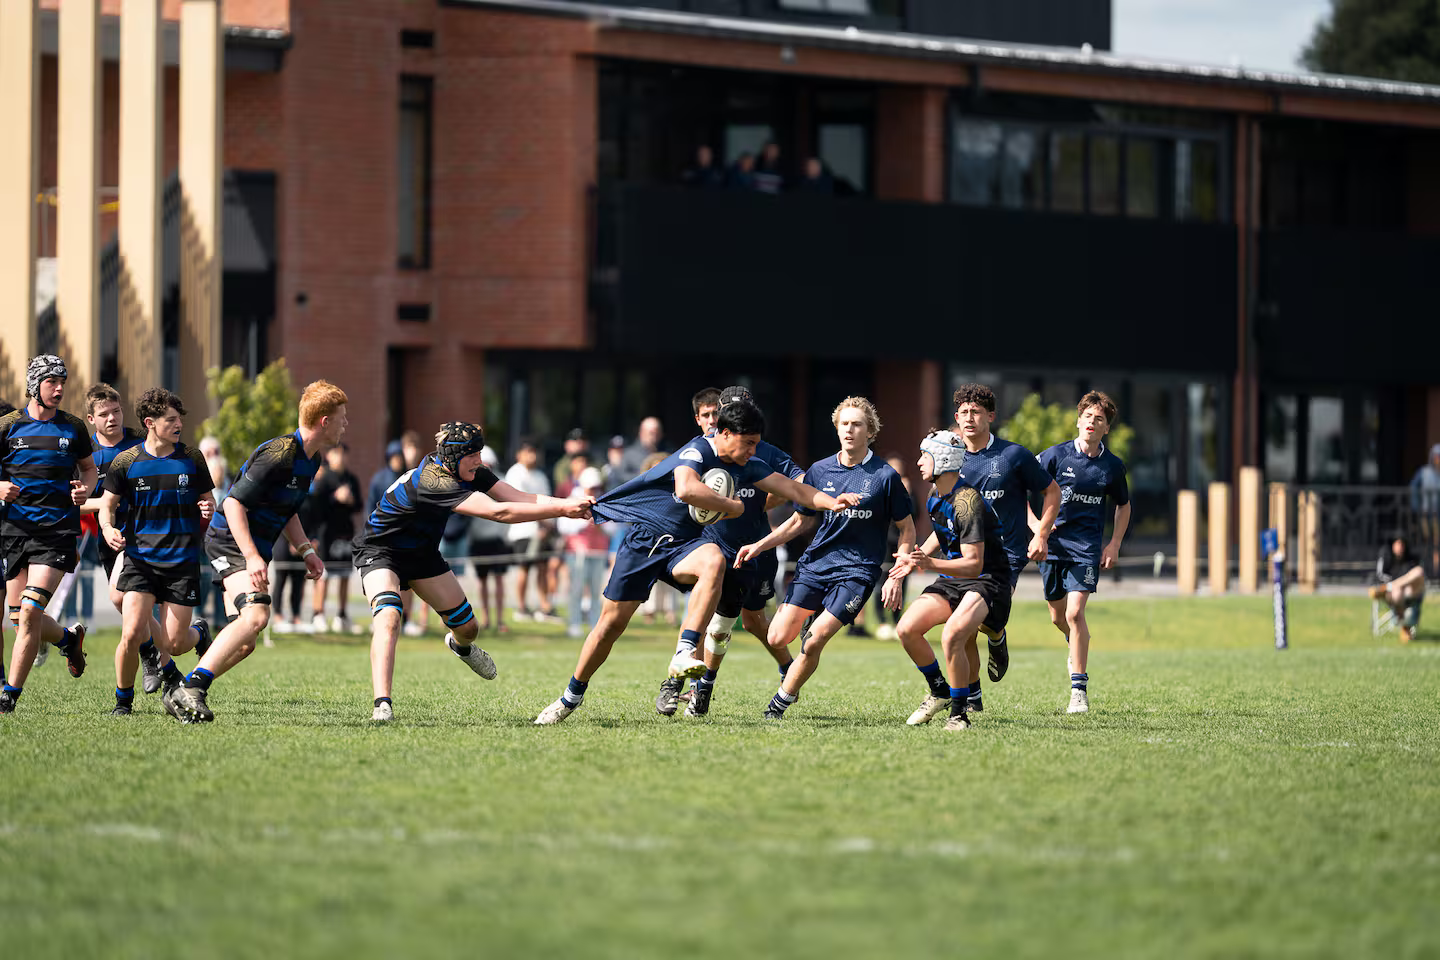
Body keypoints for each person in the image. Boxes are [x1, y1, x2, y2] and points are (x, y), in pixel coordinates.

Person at [533, 400, 858, 725]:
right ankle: (570, 697)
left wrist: (832, 501)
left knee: (714, 560)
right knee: (610, 627)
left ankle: (684, 652)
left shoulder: (748, 464)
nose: (752, 451)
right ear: (726, 433)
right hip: (645, 541)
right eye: (748, 443)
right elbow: (686, 488)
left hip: (685, 545)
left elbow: (793, 488)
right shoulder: (697, 450)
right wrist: (731, 506)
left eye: (756, 444)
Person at [355, 422, 594, 721]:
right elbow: (499, 512)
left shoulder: (465, 470)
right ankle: (382, 705)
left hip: (422, 556)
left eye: (480, 454)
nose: (479, 462)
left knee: (469, 629)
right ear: (454, 457)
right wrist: (562, 511)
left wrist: (568, 504)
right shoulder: (434, 481)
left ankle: (459, 646)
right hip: (380, 551)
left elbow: (515, 497)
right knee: (390, 616)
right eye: (473, 455)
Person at [168, 380, 349, 723]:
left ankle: (189, 683)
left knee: (245, 641)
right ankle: (190, 689)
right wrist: (252, 556)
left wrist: (306, 549)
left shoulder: (311, 460)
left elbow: (287, 510)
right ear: (324, 421)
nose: (346, 423)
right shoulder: (279, 454)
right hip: (228, 540)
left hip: (249, 547)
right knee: (256, 616)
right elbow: (234, 503)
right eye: (342, 417)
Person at [736, 397, 915, 721]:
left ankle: (778, 705)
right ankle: (798, 663)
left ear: (870, 431)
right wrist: (760, 545)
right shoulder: (820, 470)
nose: (849, 429)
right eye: (844, 423)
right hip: (816, 565)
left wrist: (897, 575)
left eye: (857, 424)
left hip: (857, 572)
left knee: (816, 637)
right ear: (836, 428)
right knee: (776, 636)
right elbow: (800, 521)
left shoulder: (885, 477)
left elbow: (907, 529)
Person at [919, 382, 1061, 714]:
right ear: (956, 416)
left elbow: (1052, 492)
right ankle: (973, 695)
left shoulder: (1014, 456)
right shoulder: (949, 460)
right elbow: (949, 522)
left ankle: (995, 636)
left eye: (977, 412)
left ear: (991, 416)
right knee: (963, 627)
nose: (969, 418)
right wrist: (919, 555)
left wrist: (1040, 533)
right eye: (964, 412)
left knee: (975, 624)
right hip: (962, 556)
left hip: (1005, 557)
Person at [665, 385, 805, 718]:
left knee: (755, 621)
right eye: (716, 413)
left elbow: (797, 483)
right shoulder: (704, 451)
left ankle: (787, 664)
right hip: (711, 546)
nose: (718, 419)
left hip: (755, 549)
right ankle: (686, 688)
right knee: (702, 619)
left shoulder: (764, 452)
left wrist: (761, 505)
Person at [98, 388, 216, 716]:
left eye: (179, 419)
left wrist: (207, 507)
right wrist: (108, 528)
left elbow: (209, 500)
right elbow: (107, 506)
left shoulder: (191, 458)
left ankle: (200, 632)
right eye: (171, 420)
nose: (179, 424)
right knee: (133, 632)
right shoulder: (127, 462)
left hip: (181, 560)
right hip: (141, 559)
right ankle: (123, 703)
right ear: (150, 423)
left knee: (174, 645)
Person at [887, 430, 1012, 731]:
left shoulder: (968, 502)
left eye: (924, 456)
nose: (918, 463)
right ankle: (939, 689)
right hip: (953, 577)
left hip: (987, 579)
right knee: (906, 629)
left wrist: (929, 564)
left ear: (943, 459)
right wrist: (913, 557)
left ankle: (959, 715)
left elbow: (973, 564)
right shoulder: (934, 495)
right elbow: (942, 531)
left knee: (953, 635)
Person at [0, 355, 96, 713]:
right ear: (33, 385)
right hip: (14, 531)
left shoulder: (72, 427)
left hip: (56, 531)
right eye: (51, 382)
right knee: (19, 618)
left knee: (28, 613)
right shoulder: (7, 425)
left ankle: (9, 695)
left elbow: (89, 469)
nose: (59, 389)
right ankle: (69, 640)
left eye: (62, 383)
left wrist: (84, 490)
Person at [1033, 391, 1131, 714]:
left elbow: (1123, 505)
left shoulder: (1112, 467)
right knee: (1058, 617)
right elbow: (1018, 488)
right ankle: (1074, 645)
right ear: (1078, 421)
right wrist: (1037, 528)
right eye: (1087, 416)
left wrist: (1114, 542)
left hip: (1086, 549)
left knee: (1075, 614)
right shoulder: (1054, 457)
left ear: (1106, 429)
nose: (1092, 422)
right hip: (1053, 547)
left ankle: (1078, 690)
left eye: (1099, 419)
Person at [79, 382, 175, 692]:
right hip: (112, 538)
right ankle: (167, 664)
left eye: (116, 411)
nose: (112, 418)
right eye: (104, 414)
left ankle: (151, 656)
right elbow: (80, 503)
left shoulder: (140, 441)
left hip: (148, 534)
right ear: (91, 419)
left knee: (125, 599)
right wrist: (110, 502)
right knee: (130, 606)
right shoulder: (87, 455)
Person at [309, 442, 362, 633]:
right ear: (329, 456)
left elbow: (359, 506)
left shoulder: (351, 479)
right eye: (336, 453)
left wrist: (350, 500)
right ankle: (318, 614)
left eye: (343, 453)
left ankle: (342, 615)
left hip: (346, 533)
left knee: (344, 575)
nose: (340, 457)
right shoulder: (323, 480)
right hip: (326, 534)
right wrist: (334, 498)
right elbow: (316, 508)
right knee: (324, 575)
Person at [505, 438, 560, 623]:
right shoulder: (515, 473)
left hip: (543, 530)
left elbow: (547, 500)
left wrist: (548, 525)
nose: (532, 455)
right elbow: (520, 502)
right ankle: (521, 607)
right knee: (524, 568)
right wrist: (542, 523)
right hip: (523, 530)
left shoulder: (540, 475)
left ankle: (544, 606)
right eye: (528, 451)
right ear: (519, 454)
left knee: (543, 568)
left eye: (534, 451)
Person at [559, 467, 611, 638]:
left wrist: (601, 525)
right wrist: (584, 522)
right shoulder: (573, 498)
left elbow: (613, 527)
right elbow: (563, 525)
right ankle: (574, 623)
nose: (594, 490)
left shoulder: (604, 498)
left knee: (596, 591)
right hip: (577, 551)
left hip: (598, 551)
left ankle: (595, 624)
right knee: (576, 589)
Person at [467, 446, 510, 632]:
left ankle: (500, 620)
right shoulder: (470, 484)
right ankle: (485, 618)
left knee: (499, 579)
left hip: (497, 539)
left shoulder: (501, 483)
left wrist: (504, 536)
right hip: (479, 539)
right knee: (482, 580)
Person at [1370, 534, 1425, 643]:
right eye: (1398, 544)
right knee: (1397, 592)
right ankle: (1404, 626)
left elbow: (1418, 575)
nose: (1400, 547)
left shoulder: (1410, 561)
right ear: (1393, 545)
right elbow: (1379, 577)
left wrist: (1393, 584)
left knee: (1418, 572)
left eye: (1402, 544)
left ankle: (1404, 622)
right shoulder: (1387, 558)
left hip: (1410, 593)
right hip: (1395, 597)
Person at [1410, 443, 1440, 577]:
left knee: (1437, 544)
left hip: (1437, 514)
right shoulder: (1424, 472)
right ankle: (1424, 570)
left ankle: (1436, 571)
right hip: (1426, 514)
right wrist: (1416, 506)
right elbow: (1414, 488)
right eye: (1437, 457)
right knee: (1426, 542)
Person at [618, 417, 665, 486]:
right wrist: (645, 475)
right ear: (642, 433)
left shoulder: (667, 452)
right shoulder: (629, 454)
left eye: (657, 433)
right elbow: (621, 477)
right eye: (651, 433)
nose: (654, 436)